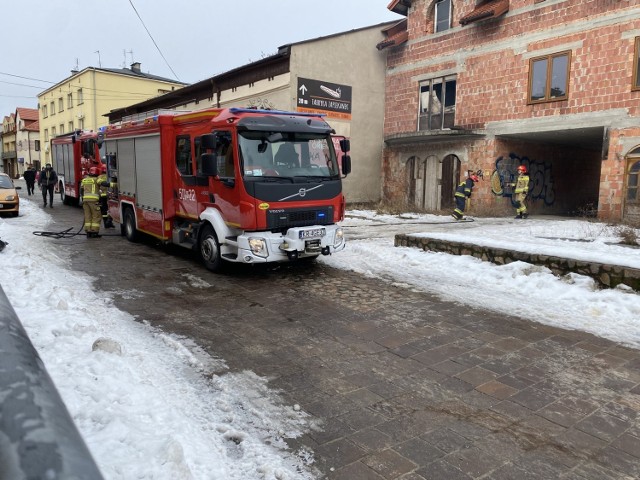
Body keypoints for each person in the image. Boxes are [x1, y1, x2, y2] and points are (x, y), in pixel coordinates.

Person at [81, 167, 102, 238]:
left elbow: (81, 190)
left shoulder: (84, 180)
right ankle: (94, 232)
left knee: (87, 216)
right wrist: (112, 184)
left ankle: (88, 231)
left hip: (85, 200)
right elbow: (103, 183)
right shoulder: (96, 179)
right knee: (96, 215)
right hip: (93, 201)